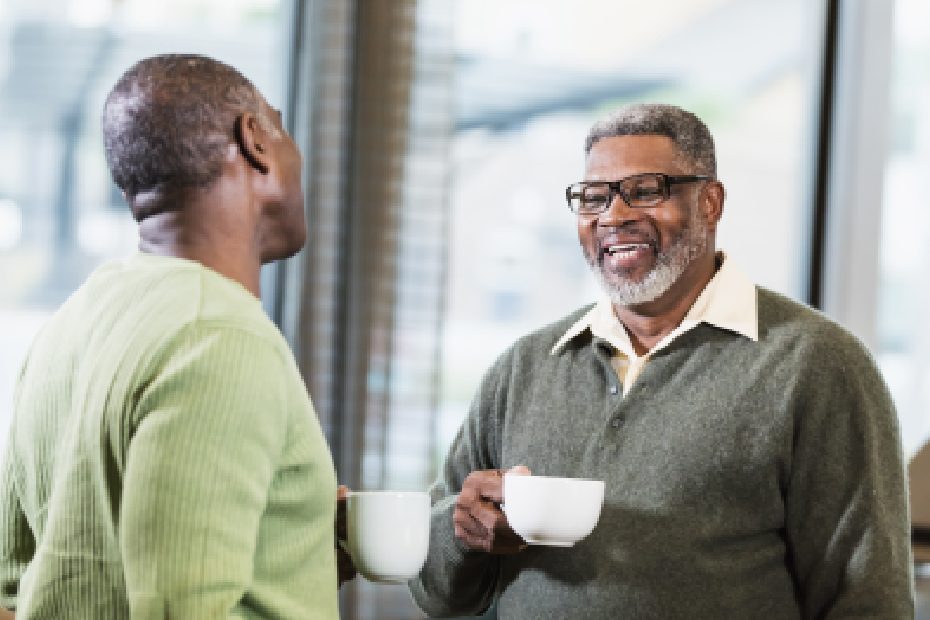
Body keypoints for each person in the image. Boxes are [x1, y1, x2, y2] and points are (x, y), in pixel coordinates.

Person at [409, 103, 914, 618]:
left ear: (711, 202)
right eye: (593, 197)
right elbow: (436, 591)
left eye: (645, 191)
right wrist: (462, 532)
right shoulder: (525, 367)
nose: (613, 216)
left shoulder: (817, 364)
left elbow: (868, 600)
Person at [0, 54, 351, 618]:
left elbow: (12, 596)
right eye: (282, 129)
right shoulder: (220, 336)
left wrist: (294, 554)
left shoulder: (68, 326)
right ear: (254, 139)